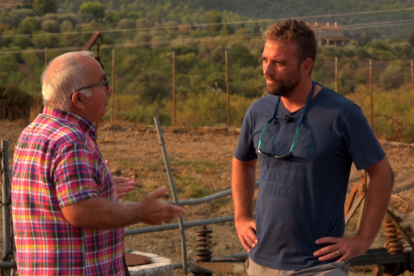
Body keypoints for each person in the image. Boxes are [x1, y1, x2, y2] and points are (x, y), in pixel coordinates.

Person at [232, 19, 394, 276]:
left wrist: (362, 240)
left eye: (279, 63)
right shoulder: (259, 110)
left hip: (318, 267)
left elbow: (383, 173)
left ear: (306, 66)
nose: (268, 70)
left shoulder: (342, 114)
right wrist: (241, 217)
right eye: (265, 59)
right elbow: (242, 162)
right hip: (260, 262)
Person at [11, 51, 183, 276]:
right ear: (79, 99)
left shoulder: (33, 132)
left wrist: (103, 190)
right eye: (103, 83)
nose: (110, 89)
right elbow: (81, 212)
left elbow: (56, 197)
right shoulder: (71, 140)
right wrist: (141, 211)